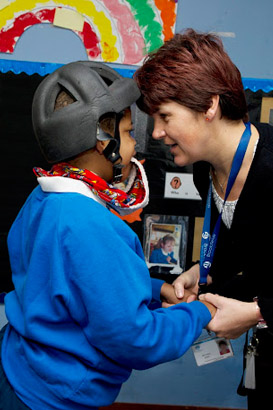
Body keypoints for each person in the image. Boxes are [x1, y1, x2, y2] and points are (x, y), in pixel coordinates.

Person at [0, 61, 216, 410]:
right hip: (51, 397)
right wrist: (201, 312)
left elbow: (73, 283)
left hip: (17, 367)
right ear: (103, 141)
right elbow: (136, 338)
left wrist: (155, 288)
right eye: (129, 134)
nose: (135, 147)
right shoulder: (88, 224)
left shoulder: (44, 198)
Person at [134, 28, 273, 409]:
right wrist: (204, 271)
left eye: (165, 116)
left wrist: (257, 312)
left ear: (209, 106)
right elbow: (243, 241)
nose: (158, 132)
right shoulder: (204, 170)